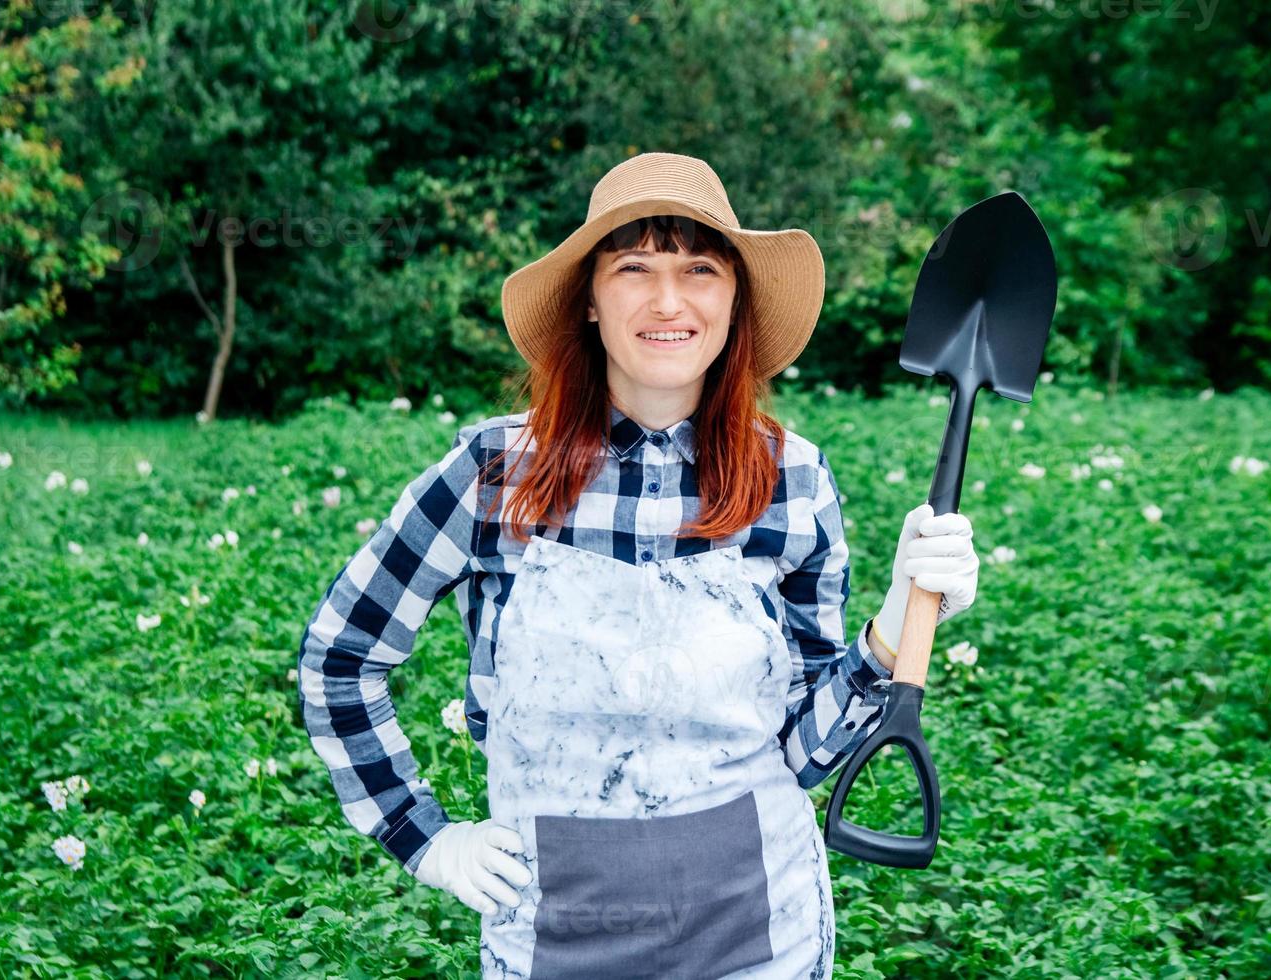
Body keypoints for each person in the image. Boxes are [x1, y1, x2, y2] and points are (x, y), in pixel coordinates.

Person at [297, 151, 980, 979]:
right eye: (634, 268)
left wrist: (896, 621)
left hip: (760, 931)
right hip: (554, 936)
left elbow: (801, 753)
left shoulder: (792, 480)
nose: (668, 300)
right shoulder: (492, 473)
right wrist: (424, 837)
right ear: (589, 299)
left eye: (699, 268)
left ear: (735, 299)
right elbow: (341, 657)